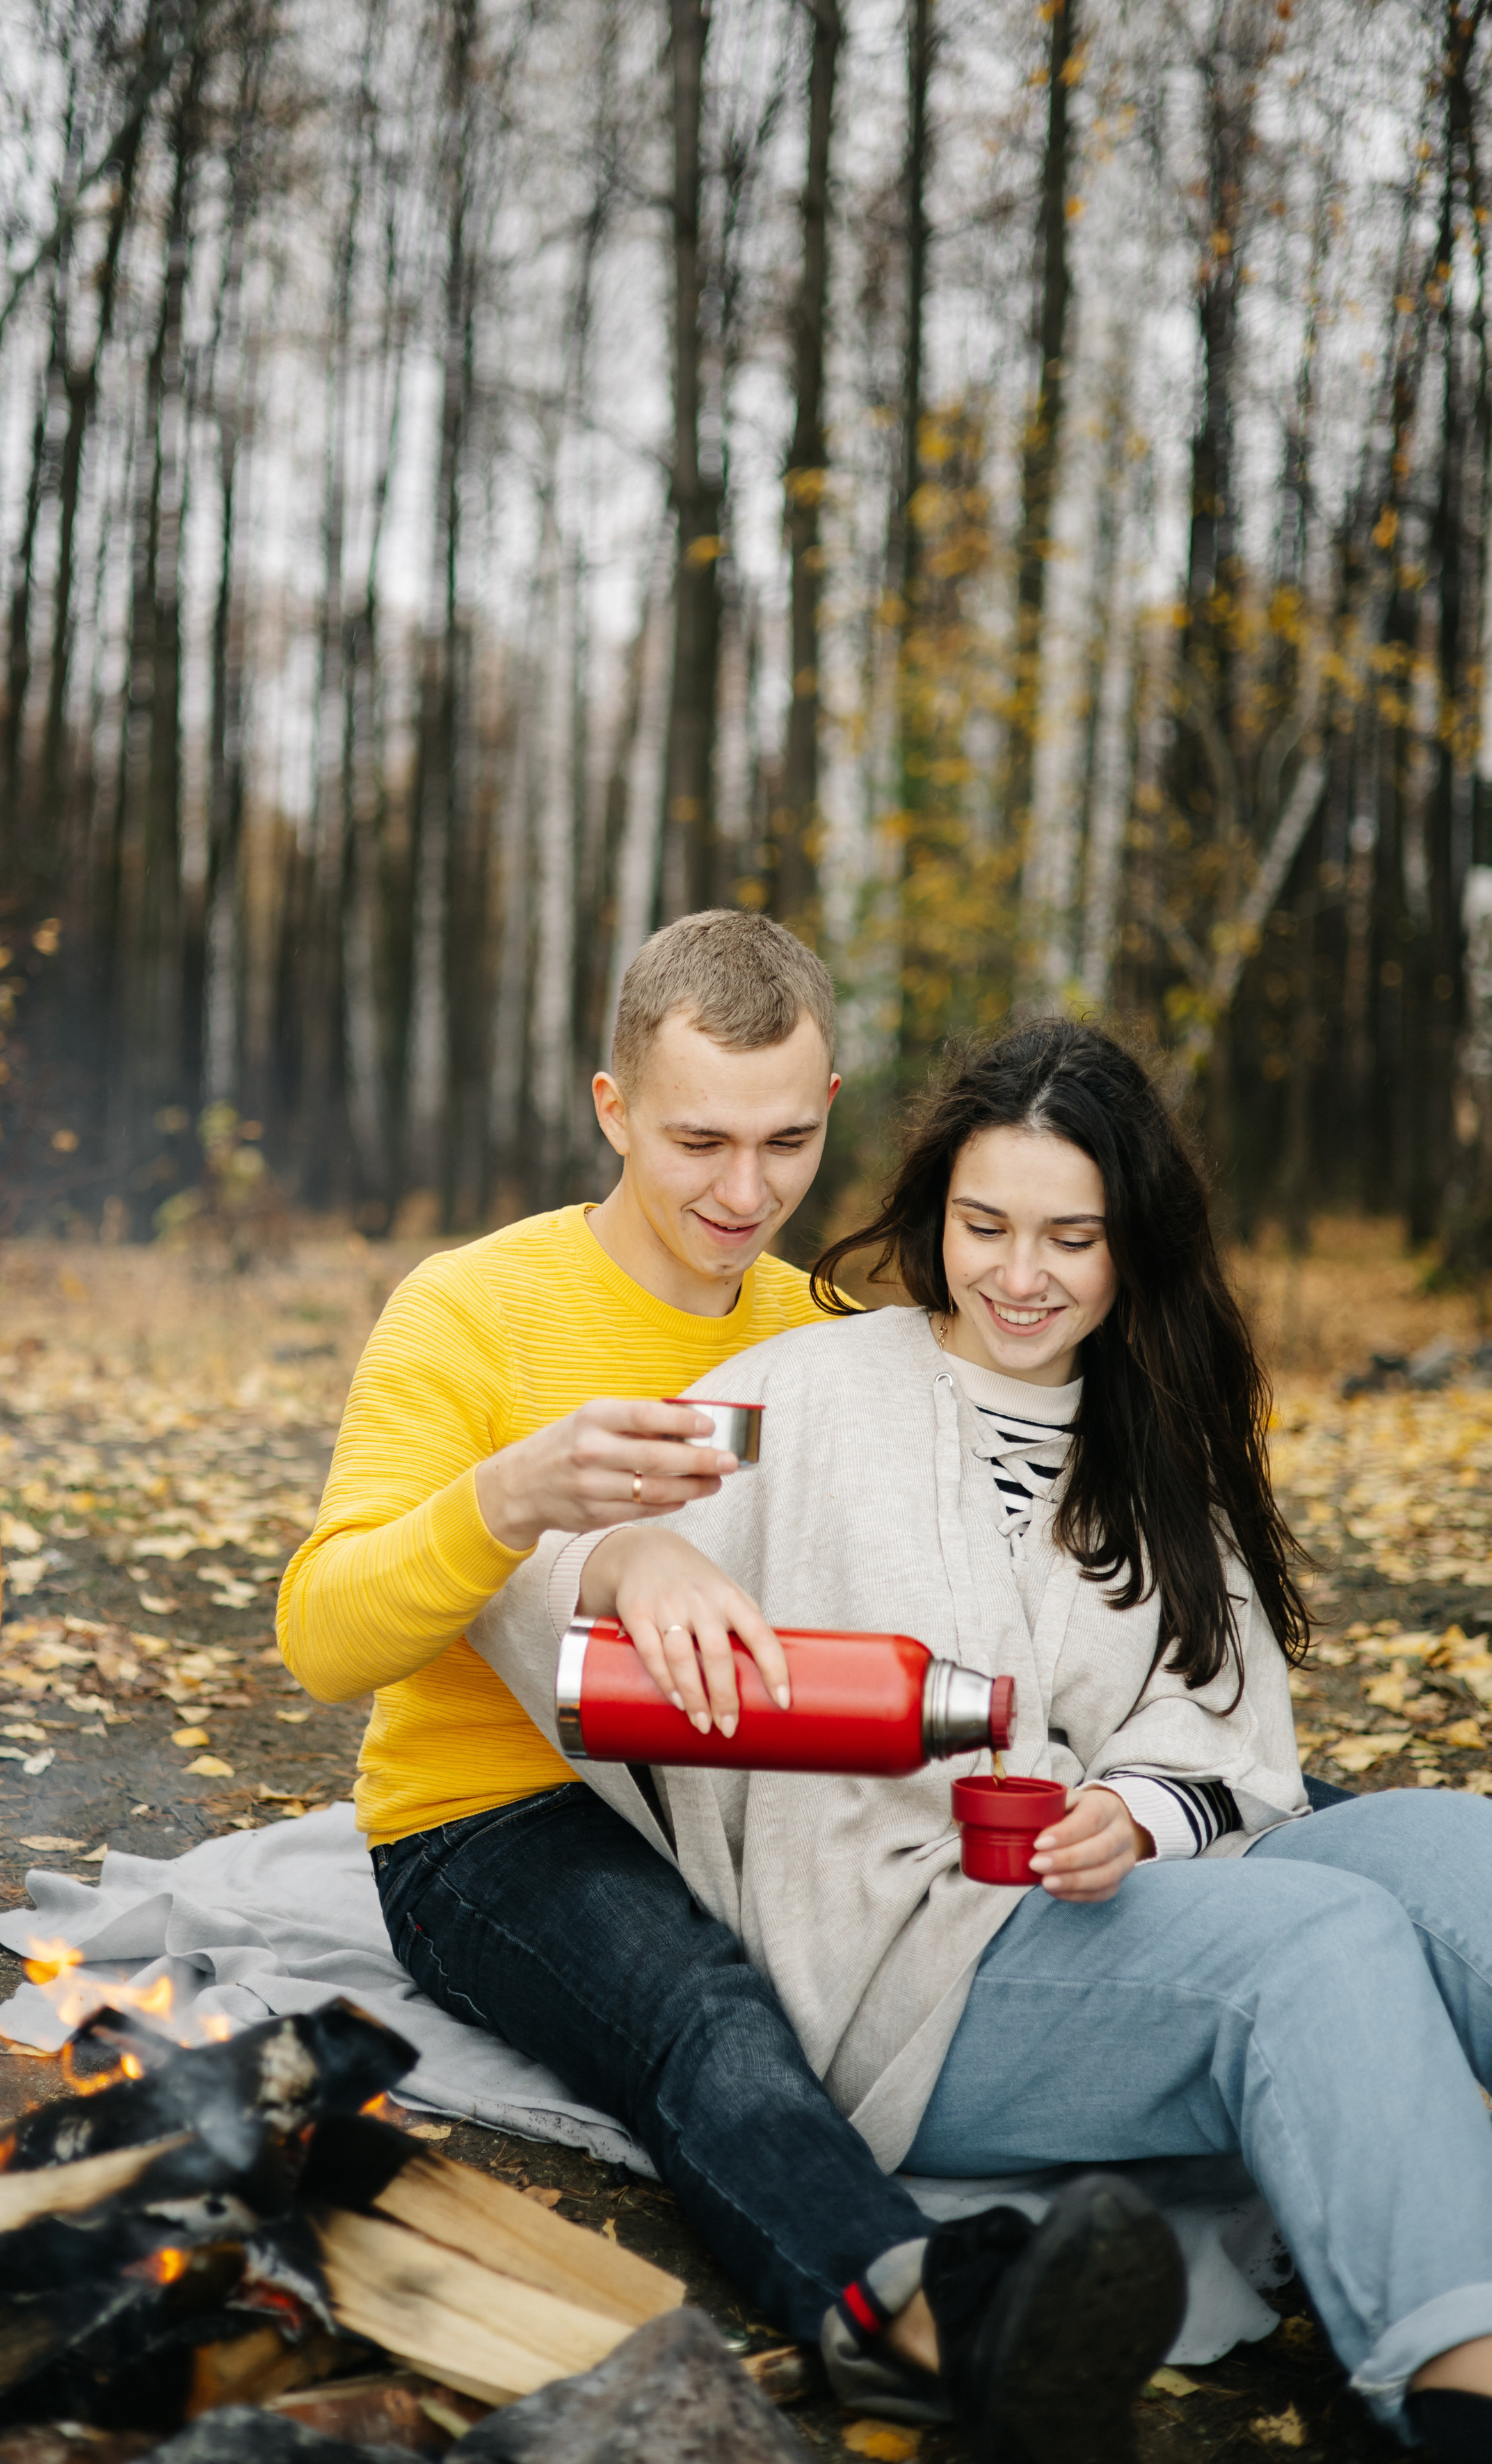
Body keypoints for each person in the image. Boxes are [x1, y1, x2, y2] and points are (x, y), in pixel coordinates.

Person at [475, 1017, 1492, 2461]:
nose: (1022, 1276)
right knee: (1315, 1940)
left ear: (1128, 1243)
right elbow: (527, 1565)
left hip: (1127, 1889)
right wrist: (628, 1563)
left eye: (1069, 1238)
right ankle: (1459, 2388)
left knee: (1459, 1853)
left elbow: (1218, 1712)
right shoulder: (810, 1396)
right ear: (933, 1218)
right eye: (984, 1226)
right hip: (917, 1964)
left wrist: (1134, 1811)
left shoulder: (1152, 1438)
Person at [279, 921, 1187, 2462]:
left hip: (759, 1802)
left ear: (831, 1099)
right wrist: (519, 1499)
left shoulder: (816, 1337)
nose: (743, 1192)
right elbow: (321, 1634)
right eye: (696, 1138)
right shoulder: (471, 1311)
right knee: (706, 2007)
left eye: (788, 1139)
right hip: (497, 1827)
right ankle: (902, 2313)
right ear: (610, 1106)